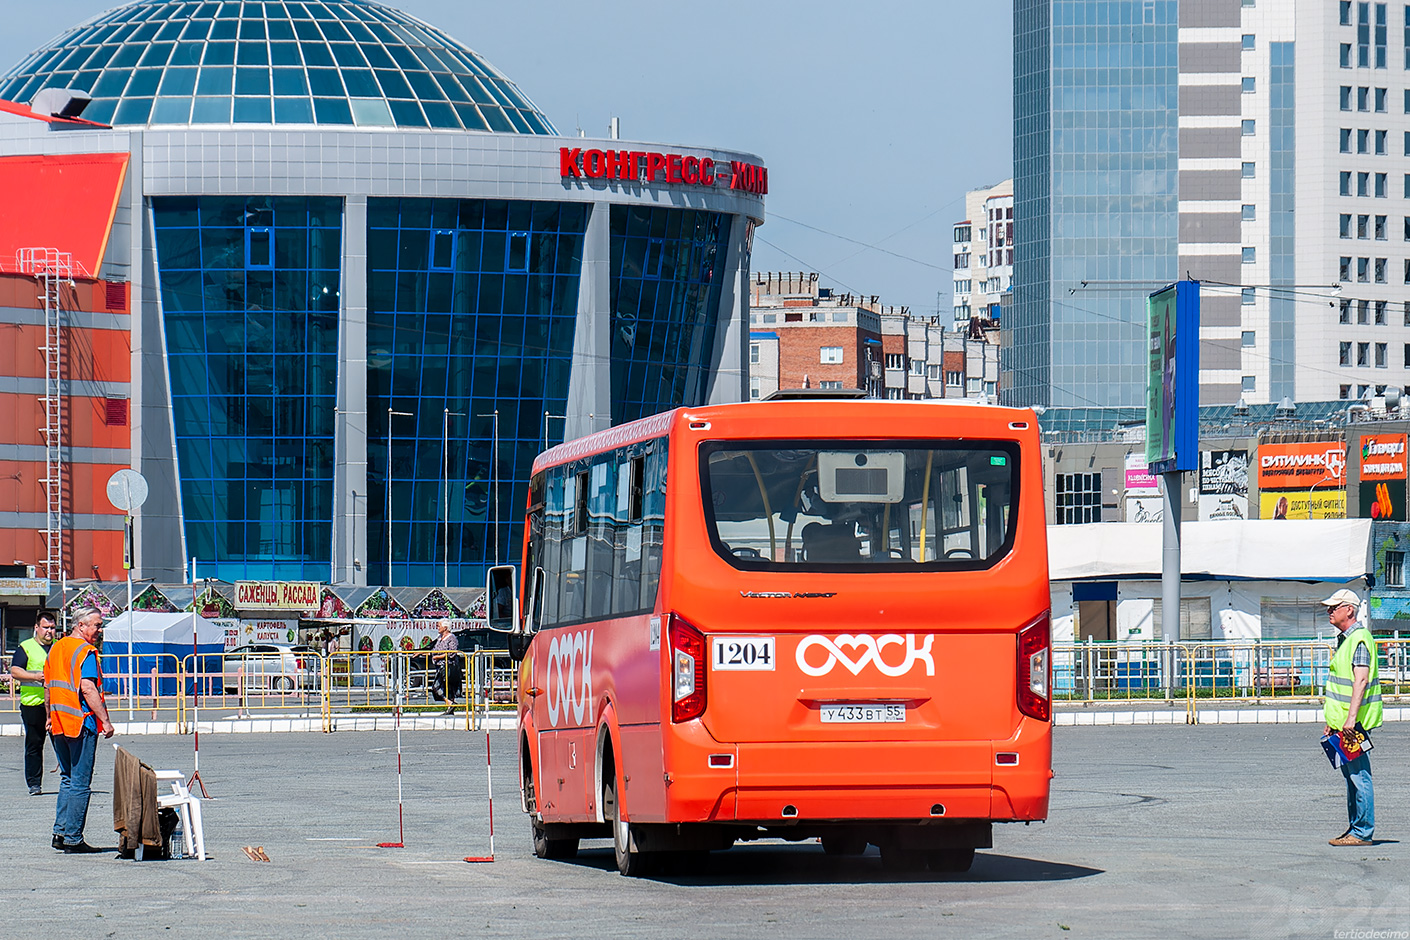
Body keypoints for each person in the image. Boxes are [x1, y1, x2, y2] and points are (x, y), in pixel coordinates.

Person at [44, 607, 114, 853]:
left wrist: (48, 717)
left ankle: (60, 833)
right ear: (81, 625)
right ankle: (73, 837)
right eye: (96, 624)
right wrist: (105, 720)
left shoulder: (57, 648)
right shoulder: (85, 651)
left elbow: (48, 686)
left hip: (59, 722)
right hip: (80, 722)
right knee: (80, 782)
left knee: (67, 778)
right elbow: (88, 689)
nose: (99, 630)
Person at [1321, 589, 1382, 847]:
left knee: (1359, 776)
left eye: (1334, 607)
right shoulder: (1347, 640)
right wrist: (1333, 721)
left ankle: (1362, 832)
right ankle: (1355, 829)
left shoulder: (1358, 639)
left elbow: (1361, 681)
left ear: (1349, 610)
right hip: (1343, 723)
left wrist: (1349, 720)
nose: (1329, 611)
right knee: (1352, 777)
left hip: (1352, 724)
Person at [10, 610, 56, 795]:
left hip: (57, 704)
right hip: (33, 704)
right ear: (36, 628)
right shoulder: (26, 647)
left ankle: (69, 779)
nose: (49, 632)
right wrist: (36, 676)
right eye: (45, 627)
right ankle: (34, 783)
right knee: (35, 744)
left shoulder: (59, 647)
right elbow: (15, 671)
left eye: (52, 628)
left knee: (63, 742)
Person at [432, 619, 462, 715]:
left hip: (449, 666)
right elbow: (434, 649)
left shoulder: (452, 638)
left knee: (438, 687)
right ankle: (450, 707)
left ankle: (450, 703)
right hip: (440, 667)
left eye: (439, 625)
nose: (438, 627)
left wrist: (438, 656)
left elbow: (452, 652)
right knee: (443, 688)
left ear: (445, 627)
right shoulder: (440, 638)